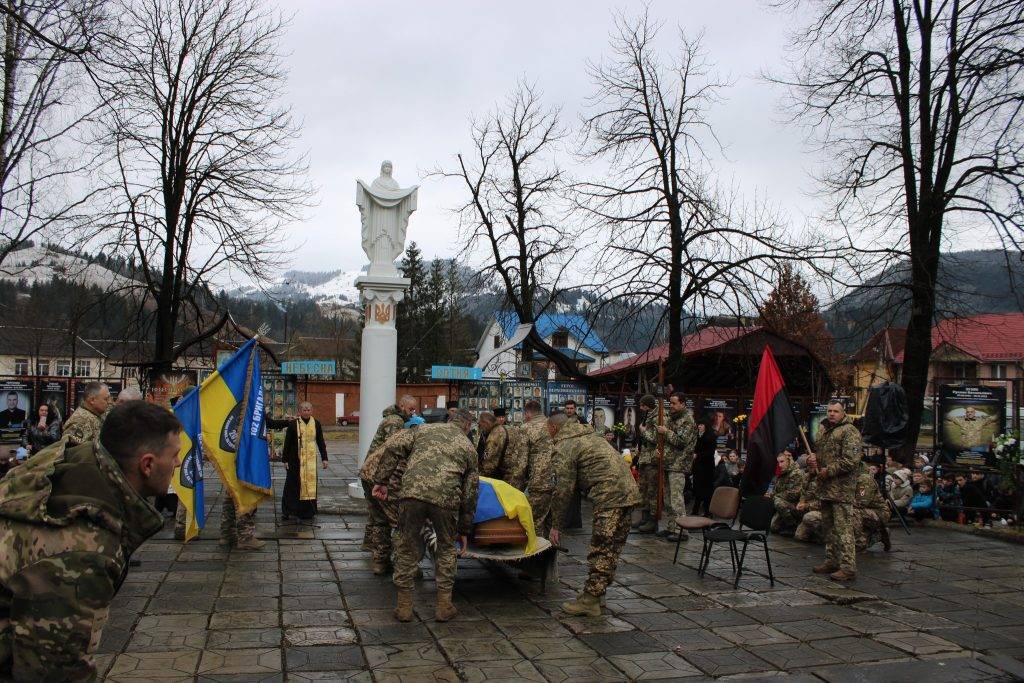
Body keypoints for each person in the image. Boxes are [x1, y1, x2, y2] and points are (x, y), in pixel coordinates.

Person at [0, 401, 180, 680]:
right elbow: (55, 671)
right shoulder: (84, 552)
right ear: (147, 464)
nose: (178, 463)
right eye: (175, 455)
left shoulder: (76, 462)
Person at [371, 409, 478, 623]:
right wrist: (464, 529)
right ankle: (444, 606)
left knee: (406, 545)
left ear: (450, 420)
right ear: (467, 426)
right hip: (446, 499)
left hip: (411, 494)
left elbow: (392, 445)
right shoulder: (468, 447)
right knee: (446, 548)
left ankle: (403, 607)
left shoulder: (422, 430)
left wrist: (381, 480)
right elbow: (470, 493)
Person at [548, 412, 641, 616]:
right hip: (629, 493)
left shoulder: (566, 446)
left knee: (601, 547)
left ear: (553, 428)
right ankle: (598, 593)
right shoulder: (590, 436)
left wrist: (556, 524)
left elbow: (563, 490)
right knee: (612, 548)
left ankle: (590, 600)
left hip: (609, 497)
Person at [805, 399, 863, 582]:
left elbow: (851, 460)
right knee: (828, 527)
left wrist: (828, 470)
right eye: (829, 410)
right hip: (825, 488)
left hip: (841, 488)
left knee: (843, 528)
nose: (831, 414)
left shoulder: (850, 431)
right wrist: (811, 460)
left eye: (835, 411)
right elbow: (820, 454)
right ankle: (832, 560)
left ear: (843, 412)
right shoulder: (823, 430)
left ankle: (848, 567)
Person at [359, 397, 416, 574]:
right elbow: (394, 451)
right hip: (381, 475)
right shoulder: (395, 421)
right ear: (402, 406)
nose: (413, 413)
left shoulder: (392, 419)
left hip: (369, 473)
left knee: (378, 519)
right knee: (397, 520)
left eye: (415, 410)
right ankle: (407, 566)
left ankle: (380, 562)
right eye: (411, 409)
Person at [647, 392, 697, 543]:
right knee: (668, 499)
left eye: (674, 403)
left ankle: (681, 530)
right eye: (670, 403)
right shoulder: (671, 417)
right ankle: (671, 527)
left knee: (676, 499)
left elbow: (681, 441)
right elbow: (664, 439)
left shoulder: (687, 420)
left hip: (678, 464)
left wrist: (666, 432)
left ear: (682, 404)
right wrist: (658, 449)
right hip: (668, 462)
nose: (671, 406)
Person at [279, 402, 328, 521]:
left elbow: (320, 441)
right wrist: (285, 459)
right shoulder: (293, 424)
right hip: (294, 460)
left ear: (312, 411)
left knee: (309, 484)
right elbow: (287, 442)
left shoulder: (316, 424)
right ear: (300, 411)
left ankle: (307, 511)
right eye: (304, 410)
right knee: (292, 485)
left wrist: (324, 458)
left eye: (308, 410)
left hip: (310, 460)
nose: (306, 412)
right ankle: (289, 510)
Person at [521, 399, 554, 536]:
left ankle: (536, 554)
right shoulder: (554, 425)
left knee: (534, 522)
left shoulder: (526, 428)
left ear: (528, 413)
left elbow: (521, 461)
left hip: (538, 482)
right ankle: (550, 554)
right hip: (558, 480)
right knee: (552, 523)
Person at [477, 411, 528, 490]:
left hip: (507, 479)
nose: (480, 428)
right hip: (520, 474)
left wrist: (478, 477)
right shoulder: (510, 428)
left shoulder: (494, 435)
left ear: (485, 423)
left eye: (480, 424)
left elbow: (489, 465)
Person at [633, 395, 660, 533]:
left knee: (652, 491)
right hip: (644, 457)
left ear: (647, 405)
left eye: (642, 405)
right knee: (643, 489)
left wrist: (644, 432)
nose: (640, 408)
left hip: (652, 459)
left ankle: (652, 521)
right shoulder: (647, 415)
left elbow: (657, 438)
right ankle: (644, 517)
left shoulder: (657, 417)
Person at [853, 464, 892, 550]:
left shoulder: (864, 479)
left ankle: (860, 543)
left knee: (853, 512)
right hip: (867, 510)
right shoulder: (854, 478)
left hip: (879, 513)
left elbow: (862, 502)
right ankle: (878, 535)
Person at [770, 450, 807, 534]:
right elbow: (777, 489)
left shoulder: (796, 473)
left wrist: (774, 496)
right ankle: (786, 522)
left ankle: (792, 525)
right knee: (773, 527)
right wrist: (771, 494)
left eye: (782, 462)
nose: (780, 465)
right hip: (785, 502)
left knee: (777, 502)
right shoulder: (783, 473)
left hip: (796, 505)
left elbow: (794, 494)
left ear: (789, 460)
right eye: (778, 462)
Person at [63, 381, 111, 446]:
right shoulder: (80, 421)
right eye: (106, 399)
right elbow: (74, 453)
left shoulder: (96, 414)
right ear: (92, 400)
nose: (109, 402)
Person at [689, 421, 718, 516]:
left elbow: (710, 453)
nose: (699, 426)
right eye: (699, 424)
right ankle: (695, 510)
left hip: (707, 468)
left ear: (706, 426)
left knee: (706, 491)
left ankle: (707, 511)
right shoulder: (698, 436)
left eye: (701, 424)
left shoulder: (710, 436)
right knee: (697, 489)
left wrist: (697, 455)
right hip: (698, 467)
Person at [793, 476, 824, 543]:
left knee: (808, 517)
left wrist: (807, 505)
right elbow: (803, 492)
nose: (810, 466)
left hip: (823, 510)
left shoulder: (824, 478)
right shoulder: (807, 476)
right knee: (799, 536)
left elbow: (824, 502)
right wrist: (801, 502)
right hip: (809, 509)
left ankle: (826, 536)